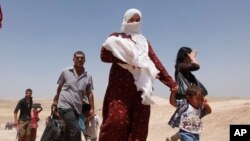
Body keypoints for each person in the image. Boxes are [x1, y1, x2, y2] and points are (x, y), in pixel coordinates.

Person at [99, 8, 178, 141]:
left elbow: (155, 62)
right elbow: (104, 56)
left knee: (139, 128)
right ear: (125, 20)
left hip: (141, 90)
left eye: (138, 20)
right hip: (119, 89)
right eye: (132, 20)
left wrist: (171, 83)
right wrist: (130, 61)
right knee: (117, 123)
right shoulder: (115, 38)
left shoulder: (144, 43)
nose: (135, 23)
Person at [53, 50, 95, 141]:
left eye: (82, 58)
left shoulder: (88, 76)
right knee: (76, 129)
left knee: (69, 131)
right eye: (77, 58)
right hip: (64, 106)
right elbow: (59, 88)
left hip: (77, 108)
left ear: (85, 60)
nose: (80, 59)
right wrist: (55, 102)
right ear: (73, 59)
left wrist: (92, 107)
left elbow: (89, 93)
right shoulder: (65, 72)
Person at [167, 47, 205, 141]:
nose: (191, 57)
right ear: (185, 55)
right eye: (189, 55)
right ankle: (178, 136)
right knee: (190, 118)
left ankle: (175, 137)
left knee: (191, 119)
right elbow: (196, 66)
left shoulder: (183, 68)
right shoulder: (180, 66)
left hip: (190, 96)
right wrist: (193, 58)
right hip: (186, 97)